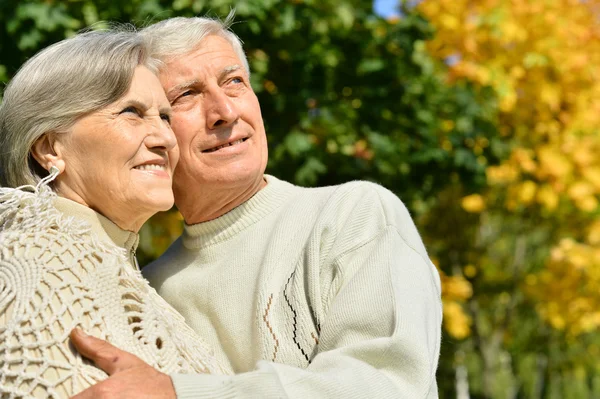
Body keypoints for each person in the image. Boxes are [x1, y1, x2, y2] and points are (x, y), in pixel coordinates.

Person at [70, 15, 443, 398]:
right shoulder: (146, 289)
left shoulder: (353, 215)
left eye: (234, 83)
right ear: (155, 131)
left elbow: (387, 384)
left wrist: (180, 393)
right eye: (187, 95)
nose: (225, 112)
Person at [0, 31, 228, 398]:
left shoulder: (118, 270)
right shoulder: (33, 264)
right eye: (131, 112)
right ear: (48, 148)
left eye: (165, 117)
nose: (166, 139)